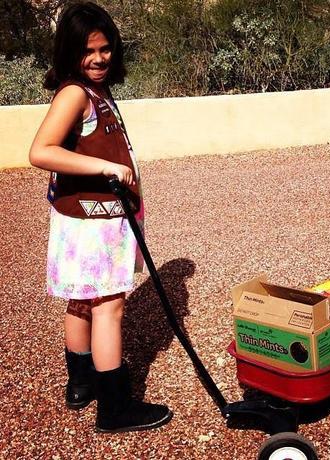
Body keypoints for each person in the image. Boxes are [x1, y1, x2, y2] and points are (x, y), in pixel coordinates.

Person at [29, 1, 172, 433]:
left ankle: (81, 382)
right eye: (88, 51)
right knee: (109, 307)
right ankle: (115, 407)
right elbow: (40, 151)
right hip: (95, 222)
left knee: (82, 301)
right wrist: (106, 168)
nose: (98, 59)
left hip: (83, 218)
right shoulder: (75, 93)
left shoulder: (96, 91)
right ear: (69, 52)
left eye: (105, 49)